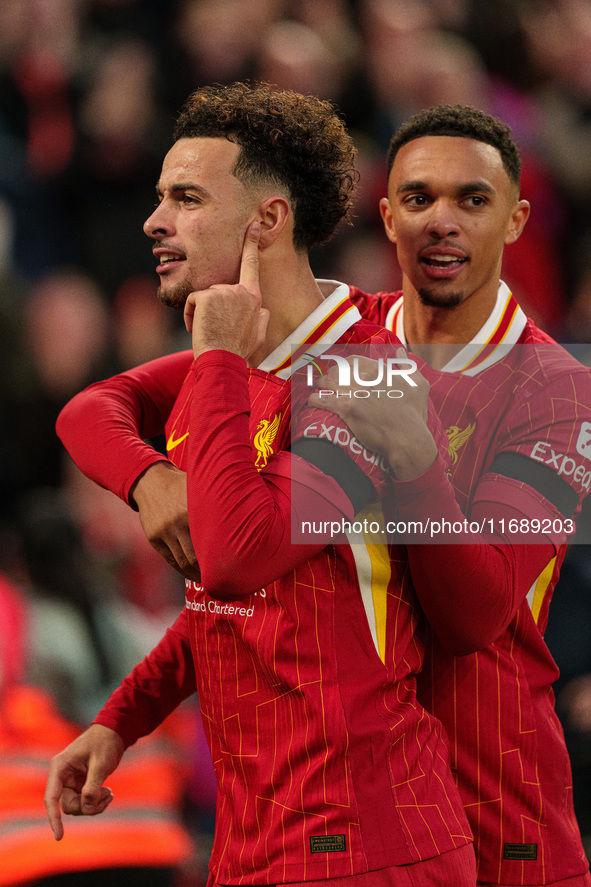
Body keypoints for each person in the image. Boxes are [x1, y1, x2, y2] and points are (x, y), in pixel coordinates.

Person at [45, 83, 478, 887]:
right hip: (258, 839)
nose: (154, 221)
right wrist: (121, 717)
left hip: (369, 841)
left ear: (266, 221)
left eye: (186, 198)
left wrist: (215, 358)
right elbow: (86, 411)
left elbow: (242, 557)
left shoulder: (372, 372)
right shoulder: (240, 365)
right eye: (158, 197)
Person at [318, 105, 591, 887]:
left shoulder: (555, 388)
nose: (442, 220)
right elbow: (106, 408)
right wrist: (149, 475)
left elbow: (471, 615)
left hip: (498, 810)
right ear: (386, 215)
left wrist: (412, 459)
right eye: (417, 199)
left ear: (515, 218)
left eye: (471, 200)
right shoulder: (339, 349)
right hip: (355, 810)